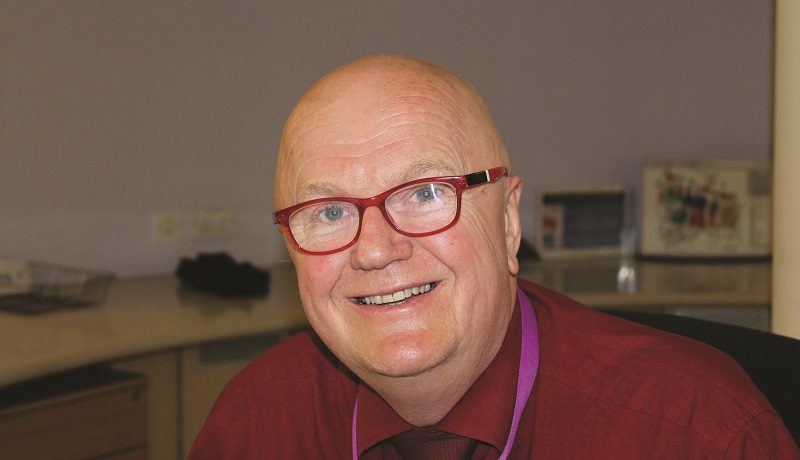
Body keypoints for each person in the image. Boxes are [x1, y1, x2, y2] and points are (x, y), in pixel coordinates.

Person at [189, 55, 798, 459]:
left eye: (426, 194)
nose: (374, 250)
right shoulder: (253, 425)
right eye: (328, 212)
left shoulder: (697, 432)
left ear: (508, 222)